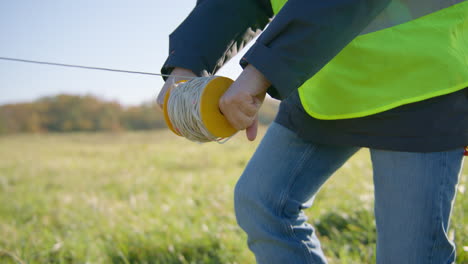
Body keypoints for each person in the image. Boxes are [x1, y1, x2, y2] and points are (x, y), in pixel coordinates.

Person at [157, 0, 468, 263]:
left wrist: (261, 72)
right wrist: (188, 63)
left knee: (409, 255)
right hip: (323, 82)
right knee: (263, 204)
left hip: (421, 82)